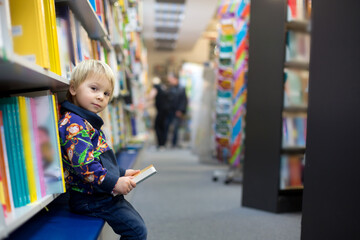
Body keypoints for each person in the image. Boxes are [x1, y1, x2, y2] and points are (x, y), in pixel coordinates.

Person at [58, 59, 147, 240]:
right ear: (73, 89)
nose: (101, 97)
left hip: (99, 192)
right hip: (89, 198)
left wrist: (121, 172)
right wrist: (114, 182)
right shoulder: (74, 124)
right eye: (94, 89)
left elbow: (99, 158)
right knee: (136, 231)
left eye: (106, 93)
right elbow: (86, 165)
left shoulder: (86, 121)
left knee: (137, 226)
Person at [165, 72, 188, 148]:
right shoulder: (169, 88)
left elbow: (183, 101)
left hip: (177, 111)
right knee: (167, 126)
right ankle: (166, 142)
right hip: (169, 111)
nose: (170, 81)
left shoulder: (181, 88)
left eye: (171, 79)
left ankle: (174, 143)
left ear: (175, 79)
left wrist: (180, 110)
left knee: (175, 128)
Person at [150, 77, 170, 150]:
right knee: (163, 127)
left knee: (157, 126)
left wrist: (144, 100)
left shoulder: (156, 87)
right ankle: (163, 144)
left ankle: (160, 144)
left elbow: (151, 96)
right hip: (166, 110)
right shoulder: (163, 87)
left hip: (161, 110)